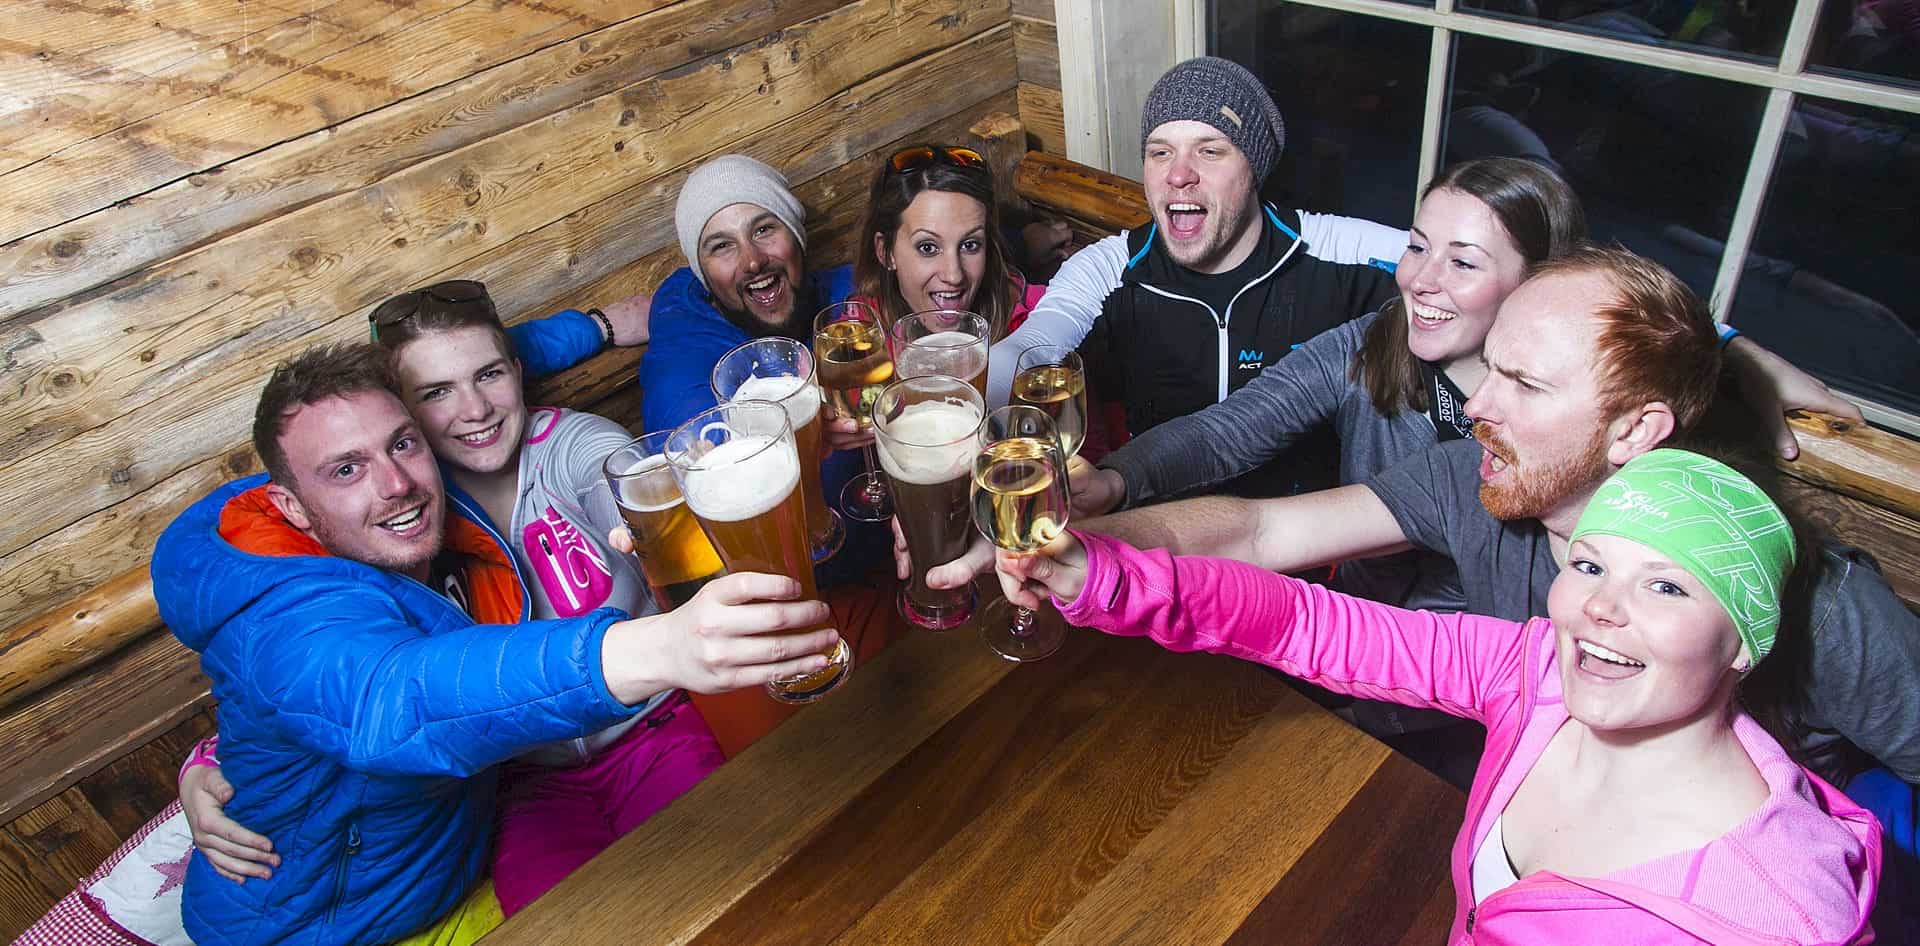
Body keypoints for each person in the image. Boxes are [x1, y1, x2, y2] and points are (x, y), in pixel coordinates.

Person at [1059, 247, 1920, 805]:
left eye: (1526, 386)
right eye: (1490, 370)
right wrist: (1069, 545)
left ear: (1635, 432)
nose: (1476, 406)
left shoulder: (1823, 605)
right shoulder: (1481, 480)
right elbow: (1256, 536)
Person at [999, 449, 1882, 943]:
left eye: (1667, 587)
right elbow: (1315, 627)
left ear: (1743, 643)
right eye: (1588, 566)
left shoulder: (1774, 914)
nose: (1600, 610)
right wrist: (1102, 574)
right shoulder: (1534, 673)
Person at [148, 343, 841, 946]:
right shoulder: (288, 606)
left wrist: (608, 324)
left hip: (436, 879)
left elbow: (472, 355)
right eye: (346, 470)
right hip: (308, 932)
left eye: (402, 443)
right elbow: (387, 694)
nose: (395, 484)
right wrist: (657, 648)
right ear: (292, 507)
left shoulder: (444, 527)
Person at [1072, 156, 1580, 611]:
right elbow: (1228, 431)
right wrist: (1114, 480)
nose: (1421, 279)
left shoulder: (1565, 428)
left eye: (1463, 262)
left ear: (1538, 284)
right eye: (1417, 247)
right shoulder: (1369, 343)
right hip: (1349, 631)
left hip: (1481, 683)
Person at [985, 55, 1409, 500]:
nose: (1179, 174)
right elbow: (1029, 349)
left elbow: (1462, 261)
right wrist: (956, 401)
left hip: (1300, 551)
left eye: (1210, 150)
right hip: (1160, 539)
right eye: (1160, 152)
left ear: (1254, 168)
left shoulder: (1335, 253)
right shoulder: (1108, 269)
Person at [850, 143, 1045, 341]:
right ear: (885, 252)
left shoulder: (1034, 318)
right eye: (928, 248)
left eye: (970, 245)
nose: (954, 276)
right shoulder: (859, 340)